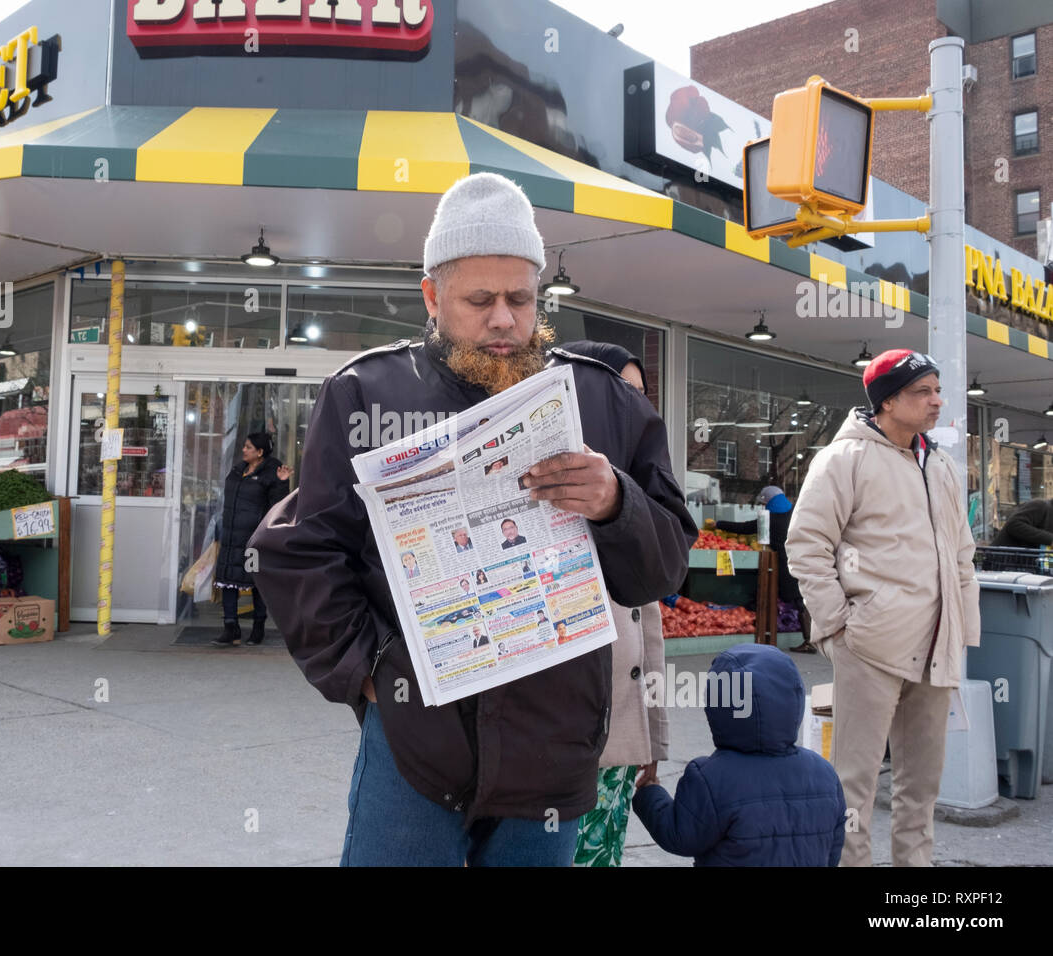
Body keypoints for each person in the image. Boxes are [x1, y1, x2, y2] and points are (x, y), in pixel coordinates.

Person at [250, 171, 696, 867]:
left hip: (556, 744)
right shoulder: (367, 393)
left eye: (520, 299)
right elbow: (300, 550)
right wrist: (369, 669)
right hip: (415, 741)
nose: (503, 320)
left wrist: (616, 503)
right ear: (432, 296)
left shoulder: (605, 400)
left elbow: (665, 565)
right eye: (479, 299)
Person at [787, 350, 980, 867]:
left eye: (937, 389)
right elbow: (806, 546)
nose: (937, 400)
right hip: (870, 646)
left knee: (922, 786)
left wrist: (964, 627)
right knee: (855, 786)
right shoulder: (842, 460)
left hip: (937, 645)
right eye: (923, 392)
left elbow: (962, 552)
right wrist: (838, 630)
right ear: (888, 401)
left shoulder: (938, 464)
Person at [560, 339, 668, 867]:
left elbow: (648, 633)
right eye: (621, 392)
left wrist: (653, 739)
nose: (635, 407)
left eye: (642, 395)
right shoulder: (542, 495)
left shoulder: (637, 500)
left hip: (619, 745)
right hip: (550, 750)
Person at [632, 644, 846, 866]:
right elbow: (833, 848)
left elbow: (680, 835)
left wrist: (650, 793)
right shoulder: (825, 774)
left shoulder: (709, 778)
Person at [708, 486, 814, 652]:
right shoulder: (794, 513)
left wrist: (719, 524)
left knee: (797, 601)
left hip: (783, 564)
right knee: (801, 599)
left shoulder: (770, 518)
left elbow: (746, 528)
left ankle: (809, 641)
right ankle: (811, 639)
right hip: (800, 559)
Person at [211, 432, 290, 647]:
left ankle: (258, 628)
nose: (244, 450)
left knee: (257, 584)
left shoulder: (271, 474)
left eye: (248, 447)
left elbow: (278, 506)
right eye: (244, 446)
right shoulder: (238, 471)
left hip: (254, 540)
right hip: (231, 536)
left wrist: (282, 483)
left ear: (260, 452)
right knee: (227, 582)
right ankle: (230, 627)